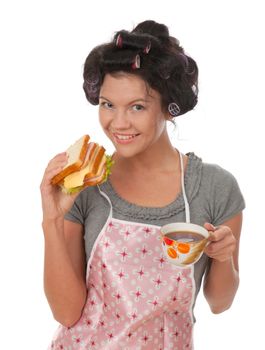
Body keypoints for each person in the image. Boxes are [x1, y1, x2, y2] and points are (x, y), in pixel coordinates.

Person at [40, 20, 245, 349]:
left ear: (169, 107)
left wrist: (224, 255)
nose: (118, 123)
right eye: (108, 105)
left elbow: (220, 303)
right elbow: (66, 313)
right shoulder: (86, 184)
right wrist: (51, 220)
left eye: (137, 107)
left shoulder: (215, 187)